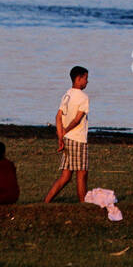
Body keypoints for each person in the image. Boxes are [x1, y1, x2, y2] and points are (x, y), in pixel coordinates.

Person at [44, 65, 89, 203]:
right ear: (78, 78)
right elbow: (77, 119)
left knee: (66, 176)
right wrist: (65, 131)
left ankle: (46, 201)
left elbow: (58, 117)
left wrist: (61, 136)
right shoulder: (83, 97)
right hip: (78, 139)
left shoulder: (66, 95)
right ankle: (83, 203)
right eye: (86, 78)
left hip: (67, 139)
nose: (87, 82)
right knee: (82, 174)